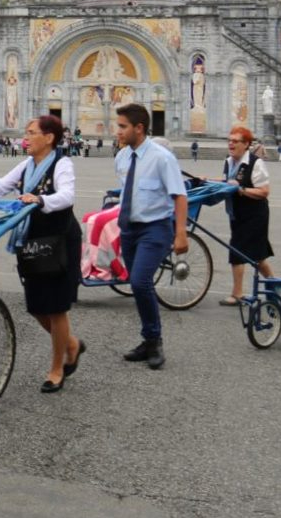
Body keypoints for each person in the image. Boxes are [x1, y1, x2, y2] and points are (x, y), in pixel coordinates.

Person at [0, 115, 83, 393]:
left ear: (49, 138)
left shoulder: (62, 163)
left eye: (31, 133)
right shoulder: (27, 165)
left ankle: (57, 368)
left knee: (57, 307)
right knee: (37, 307)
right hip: (33, 240)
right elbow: (0, 186)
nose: (25, 138)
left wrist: (41, 199)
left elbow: (68, 196)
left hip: (60, 240)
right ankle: (71, 344)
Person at [112, 103, 188, 369]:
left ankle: (154, 341)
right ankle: (148, 339)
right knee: (137, 285)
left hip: (155, 228)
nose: (118, 131)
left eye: (122, 126)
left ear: (139, 128)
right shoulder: (122, 157)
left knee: (141, 281)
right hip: (130, 229)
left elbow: (179, 195)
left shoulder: (162, 157)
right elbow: (127, 190)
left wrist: (180, 234)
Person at [213, 127, 275, 305]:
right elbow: (227, 182)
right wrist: (207, 180)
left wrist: (241, 190)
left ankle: (237, 294)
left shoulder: (255, 163)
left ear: (246, 144)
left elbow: (264, 192)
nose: (231, 144)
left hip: (255, 214)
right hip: (236, 213)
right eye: (229, 140)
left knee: (237, 249)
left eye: (235, 141)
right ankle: (274, 284)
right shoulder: (228, 162)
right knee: (257, 255)